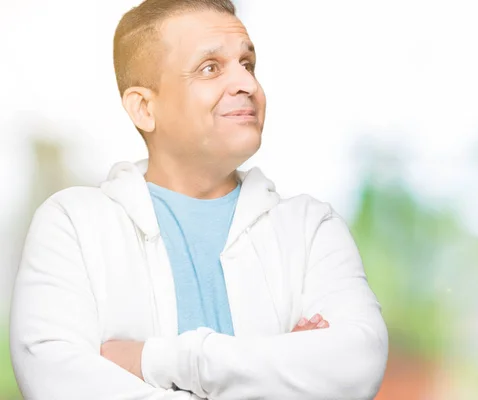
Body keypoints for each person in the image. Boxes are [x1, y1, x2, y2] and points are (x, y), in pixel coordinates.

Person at [9, 0, 388, 398]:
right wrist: (280, 366)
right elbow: (60, 386)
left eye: (248, 64)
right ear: (144, 108)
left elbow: (355, 364)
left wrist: (152, 361)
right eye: (210, 68)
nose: (248, 85)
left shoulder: (311, 228)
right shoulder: (73, 225)